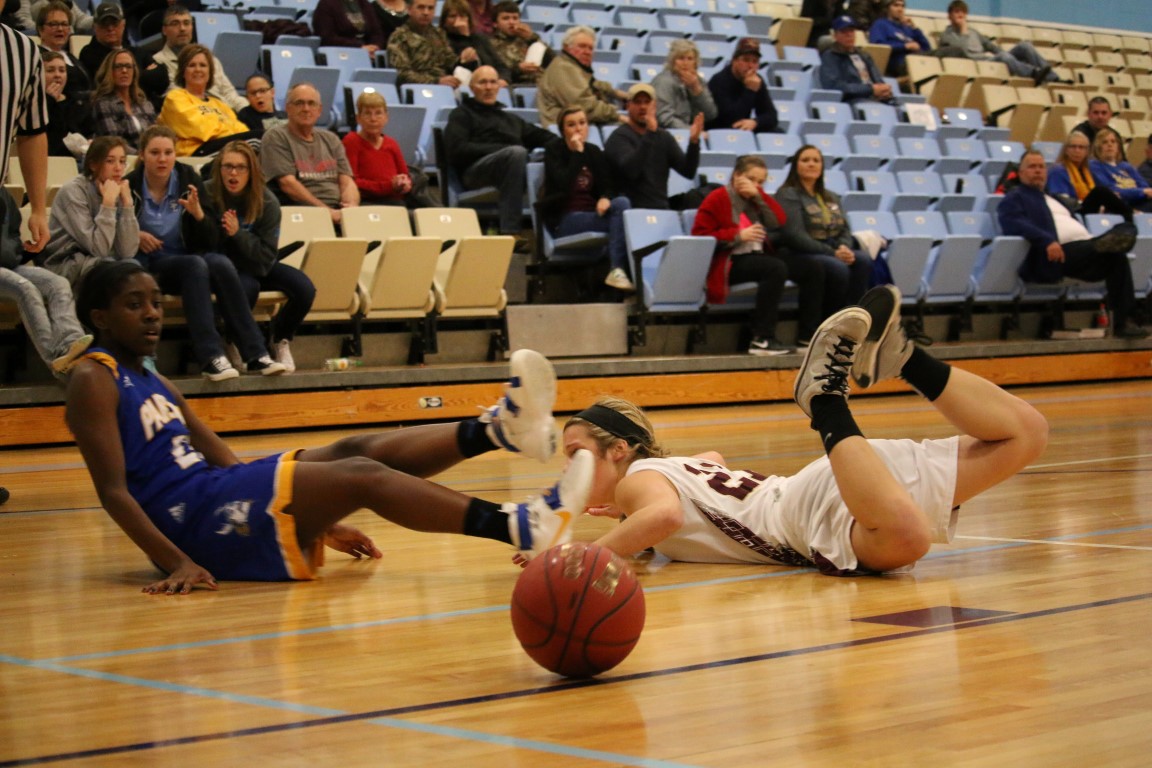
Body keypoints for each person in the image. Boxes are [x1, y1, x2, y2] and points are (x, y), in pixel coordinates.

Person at [66, 264, 592, 593]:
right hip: (192, 525)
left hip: (216, 495)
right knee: (361, 474)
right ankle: (520, 527)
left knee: (351, 449)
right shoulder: (93, 378)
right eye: (134, 305)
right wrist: (177, 562)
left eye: (156, 301)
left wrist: (313, 510)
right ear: (101, 318)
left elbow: (219, 455)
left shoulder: (150, 376)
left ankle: (498, 430)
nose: (152, 314)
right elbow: (114, 493)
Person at [561, 285, 1049, 577]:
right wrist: (629, 518)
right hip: (837, 482)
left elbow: (665, 516)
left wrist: (578, 555)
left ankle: (824, 401)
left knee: (906, 539)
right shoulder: (665, 470)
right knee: (1026, 433)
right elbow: (710, 464)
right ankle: (904, 358)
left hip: (801, 516)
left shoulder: (638, 481)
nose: (568, 469)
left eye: (574, 453)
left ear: (618, 449)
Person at [127, 125, 288, 379]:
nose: (162, 159)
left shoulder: (188, 179)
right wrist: (135, 235)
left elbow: (212, 240)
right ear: (142, 155)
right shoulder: (130, 185)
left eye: (168, 152)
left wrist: (199, 215)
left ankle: (256, 354)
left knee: (220, 263)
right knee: (195, 265)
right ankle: (211, 357)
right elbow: (112, 233)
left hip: (187, 256)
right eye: (155, 152)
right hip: (150, 263)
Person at [997, 149, 1148, 339]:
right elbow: (1013, 223)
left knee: (1118, 256)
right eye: (1032, 167)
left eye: (1041, 167)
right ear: (1020, 173)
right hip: (1057, 254)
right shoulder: (1015, 197)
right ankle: (1108, 241)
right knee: (1109, 246)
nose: (1038, 171)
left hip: (1083, 251)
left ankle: (1124, 323)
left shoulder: (1055, 198)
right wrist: (1046, 240)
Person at [691, 154, 826, 355]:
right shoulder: (717, 198)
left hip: (758, 256)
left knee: (812, 268)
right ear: (737, 175)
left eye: (761, 182)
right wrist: (738, 235)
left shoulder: (756, 198)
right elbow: (701, 236)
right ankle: (763, 338)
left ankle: (807, 336)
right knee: (774, 268)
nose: (756, 185)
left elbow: (778, 220)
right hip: (729, 261)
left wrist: (760, 196)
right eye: (751, 179)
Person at [205, 141, 314, 374]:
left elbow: (266, 256)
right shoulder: (208, 193)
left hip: (259, 264)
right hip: (227, 267)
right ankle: (231, 340)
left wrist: (238, 234)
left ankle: (280, 338)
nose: (233, 173)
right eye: (228, 166)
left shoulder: (267, 201)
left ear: (251, 171)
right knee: (248, 288)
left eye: (240, 167)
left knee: (304, 288)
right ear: (219, 168)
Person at [444, 65, 556, 248]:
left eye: (492, 82)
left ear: (499, 86)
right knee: (516, 153)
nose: (488, 87)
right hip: (475, 172)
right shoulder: (461, 115)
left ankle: (554, 231)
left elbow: (546, 138)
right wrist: (501, 149)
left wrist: (568, 147)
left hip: (511, 164)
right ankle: (510, 231)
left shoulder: (510, 119)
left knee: (549, 154)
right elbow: (456, 150)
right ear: (471, 88)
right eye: (482, 82)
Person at [540, 106, 633, 293]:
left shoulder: (594, 151)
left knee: (622, 203)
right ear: (563, 130)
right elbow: (563, 184)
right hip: (565, 219)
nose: (578, 129)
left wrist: (605, 198)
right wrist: (577, 153)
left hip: (591, 214)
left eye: (582, 123)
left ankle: (617, 270)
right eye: (571, 125)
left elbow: (607, 185)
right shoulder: (554, 150)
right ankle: (616, 270)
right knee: (621, 223)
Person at [776, 145, 873, 315]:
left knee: (863, 260)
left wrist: (844, 247)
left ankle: (851, 317)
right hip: (800, 251)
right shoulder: (787, 194)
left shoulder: (831, 196)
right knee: (838, 267)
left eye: (816, 160)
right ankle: (830, 320)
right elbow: (794, 235)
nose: (811, 164)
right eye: (805, 160)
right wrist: (833, 253)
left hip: (831, 248)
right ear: (795, 166)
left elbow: (844, 229)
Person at [38, 136, 139, 285]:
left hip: (101, 261)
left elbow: (127, 251)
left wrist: (127, 206)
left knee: (134, 267)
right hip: (66, 262)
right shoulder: (73, 191)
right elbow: (98, 249)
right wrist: (108, 205)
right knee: (114, 273)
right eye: (110, 161)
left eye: (122, 161)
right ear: (93, 165)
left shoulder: (116, 188)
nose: (118, 168)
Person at [261, 83, 360, 225]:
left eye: (311, 103)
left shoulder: (331, 139)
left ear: (319, 110)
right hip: (301, 213)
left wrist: (351, 209)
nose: (306, 109)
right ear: (288, 108)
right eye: (299, 103)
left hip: (337, 210)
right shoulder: (276, 137)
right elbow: (288, 185)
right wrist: (327, 213)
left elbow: (347, 182)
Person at [604, 83, 702, 211]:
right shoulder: (619, 137)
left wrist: (694, 142)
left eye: (647, 102)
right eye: (637, 102)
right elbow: (631, 171)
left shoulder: (663, 137)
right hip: (631, 210)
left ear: (654, 106)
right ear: (628, 106)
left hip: (662, 209)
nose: (643, 107)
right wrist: (650, 134)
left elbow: (688, 171)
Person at [158, 44, 256, 157]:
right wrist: (232, 133)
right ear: (183, 72)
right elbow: (202, 130)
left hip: (225, 147)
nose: (198, 69)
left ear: (210, 72)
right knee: (256, 140)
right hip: (195, 153)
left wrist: (234, 135)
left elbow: (241, 129)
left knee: (259, 141)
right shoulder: (175, 98)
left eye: (203, 65)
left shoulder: (219, 104)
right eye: (192, 65)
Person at [343, 91, 436, 208]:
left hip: (396, 202)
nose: (373, 119)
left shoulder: (392, 144)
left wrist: (404, 183)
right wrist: (389, 186)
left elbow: (405, 175)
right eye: (367, 113)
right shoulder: (351, 141)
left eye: (378, 113)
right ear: (358, 118)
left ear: (386, 117)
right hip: (366, 202)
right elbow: (349, 181)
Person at [152, 5, 247, 114]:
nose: (182, 28)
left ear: (192, 27)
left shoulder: (210, 59)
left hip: (226, 114)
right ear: (164, 30)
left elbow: (229, 93)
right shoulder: (158, 61)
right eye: (175, 23)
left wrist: (248, 112)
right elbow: (179, 96)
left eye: (186, 23)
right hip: (197, 114)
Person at [938, 0, 1054, 86]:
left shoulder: (973, 32)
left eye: (963, 12)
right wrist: (963, 30)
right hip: (979, 64)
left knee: (1025, 46)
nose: (961, 15)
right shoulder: (947, 35)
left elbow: (991, 46)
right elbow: (961, 49)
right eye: (957, 12)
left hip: (991, 59)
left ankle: (1053, 78)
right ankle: (1033, 73)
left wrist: (1010, 57)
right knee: (1004, 57)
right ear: (949, 16)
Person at [78, 2, 168, 110]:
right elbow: (108, 84)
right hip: (114, 110)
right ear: (95, 27)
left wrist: (131, 78)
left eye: (114, 23)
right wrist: (145, 75)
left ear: (123, 24)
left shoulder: (136, 51)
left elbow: (162, 78)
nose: (110, 28)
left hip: (147, 108)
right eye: (104, 24)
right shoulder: (88, 53)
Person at [537, 26, 625, 128]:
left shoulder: (574, 67)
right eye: (582, 46)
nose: (587, 52)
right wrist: (618, 116)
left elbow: (594, 84)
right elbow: (583, 106)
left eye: (590, 48)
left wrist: (622, 95)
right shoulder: (564, 68)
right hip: (564, 129)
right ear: (566, 47)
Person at [1045, 130, 1131, 220]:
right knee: (1100, 192)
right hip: (1073, 211)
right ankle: (1130, 216)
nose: (1077, 150)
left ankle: (1130, 217)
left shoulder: (1088, 171)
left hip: (1088, 209)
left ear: (1087, 151)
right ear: (1066, 150)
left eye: (1081, 147)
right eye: (1073, 147)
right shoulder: (1058, 171)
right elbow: (1060, 199)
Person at [90, 48, 158, 152]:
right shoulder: (103, 104)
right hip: (125, 159)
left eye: (128, 66)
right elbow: (113, 143)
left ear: (134, 72)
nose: (124, 71)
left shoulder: (144, 103)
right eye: (118, 66)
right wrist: (143, 156)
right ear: (110, 71)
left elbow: (156, 136)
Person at [706, 37, 779, 134]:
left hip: (743, 130)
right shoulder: (719, 80)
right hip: (719, 130)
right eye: (746, 60)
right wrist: (750, 91)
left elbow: (772, 116)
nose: (750, 66)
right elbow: (730, 120)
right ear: (734, 60)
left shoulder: (757, 80)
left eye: (755, 61)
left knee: (777, 131)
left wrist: (755, 122)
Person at [387, 0, 466, 88]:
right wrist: (436, 81)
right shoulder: (399, 37)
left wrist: (465, 60)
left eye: (430, 8)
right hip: (417, 89)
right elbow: (401, 74)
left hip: (444, 87)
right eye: (421, 7)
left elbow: (451, 62)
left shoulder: (439, 34)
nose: (426, 12)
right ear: (409, 9)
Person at [819, 15, 895, 105]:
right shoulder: (830, 57)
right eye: (844, 31)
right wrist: (870, 89)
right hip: (853, 100)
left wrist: (884, 90)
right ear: (835, 35)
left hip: (875, 98)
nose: (849, 35)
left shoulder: (864, 55)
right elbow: (833, 86)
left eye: (851, 31)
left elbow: (877, 79)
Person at [651, 39, 718, 131]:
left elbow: (711, 114)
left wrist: (697, 90)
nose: (685, 63)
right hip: (667, 132)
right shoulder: (663, 81)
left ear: (695, 62)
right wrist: (690, 131)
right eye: (681, 58)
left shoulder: (698, 81)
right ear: (672, 61)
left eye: (690, 59)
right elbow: (664, 117)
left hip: (691, 131)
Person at [440, 0, 510, 85]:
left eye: (462, 16)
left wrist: (503, 80)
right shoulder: (442, 40)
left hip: (491, 85)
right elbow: (468, 65)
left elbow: (501, 67)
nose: (458, 20)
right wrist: (464, 36)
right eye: (452, 16)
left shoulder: (480, 39)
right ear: (445, 20)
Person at [36, 0, 92, 103]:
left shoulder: (70, 56)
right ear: (41, 30)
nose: (60, 29)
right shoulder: (37, 57)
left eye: (64, 24)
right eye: (53, 24)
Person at [1088, 126, 1152, 214]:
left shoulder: (1126, 166)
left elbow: (1145, 187)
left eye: (1113, 141)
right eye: (1105, 142)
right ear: (1098, 147)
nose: (1110, 145)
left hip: (1138, 202)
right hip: (1116, 206)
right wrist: (1141, 192)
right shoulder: (1095, 166)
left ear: (1118, 146)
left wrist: (1142, 192)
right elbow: (1111, 192)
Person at [489, 1, 554, 86]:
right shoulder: (490, 43)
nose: (511, 22)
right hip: (516, 86)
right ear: (495, 24)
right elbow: (495, 73)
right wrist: (518, 69)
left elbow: (553, 61)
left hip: (542, 85)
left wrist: (532, 38)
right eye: (506, 18)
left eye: (515, 18)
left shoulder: (528, 38)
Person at [41, 49, 87, 157]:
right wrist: (49, 100)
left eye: (62, 70)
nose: (57, 75)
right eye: (50, 70)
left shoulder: (76, 102)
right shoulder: (35, 104)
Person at [867, 0, 931, 78]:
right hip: (898, 64)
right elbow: (878, 47)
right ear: (887, 8)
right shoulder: (880, 24)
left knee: (941, 54)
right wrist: (905, 46)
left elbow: (927, 48)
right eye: (896, 5)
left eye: (902, 6)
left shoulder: (907, 27)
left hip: (917, 60)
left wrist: (914, 28)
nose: (900, 9)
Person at [313, 0, 388, 55]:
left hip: (369, 54)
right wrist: (360, 47)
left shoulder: (365, 4)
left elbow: (377, 33)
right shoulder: (326, 4)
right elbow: (327, 38)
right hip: (339, 54)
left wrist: (375, 47)